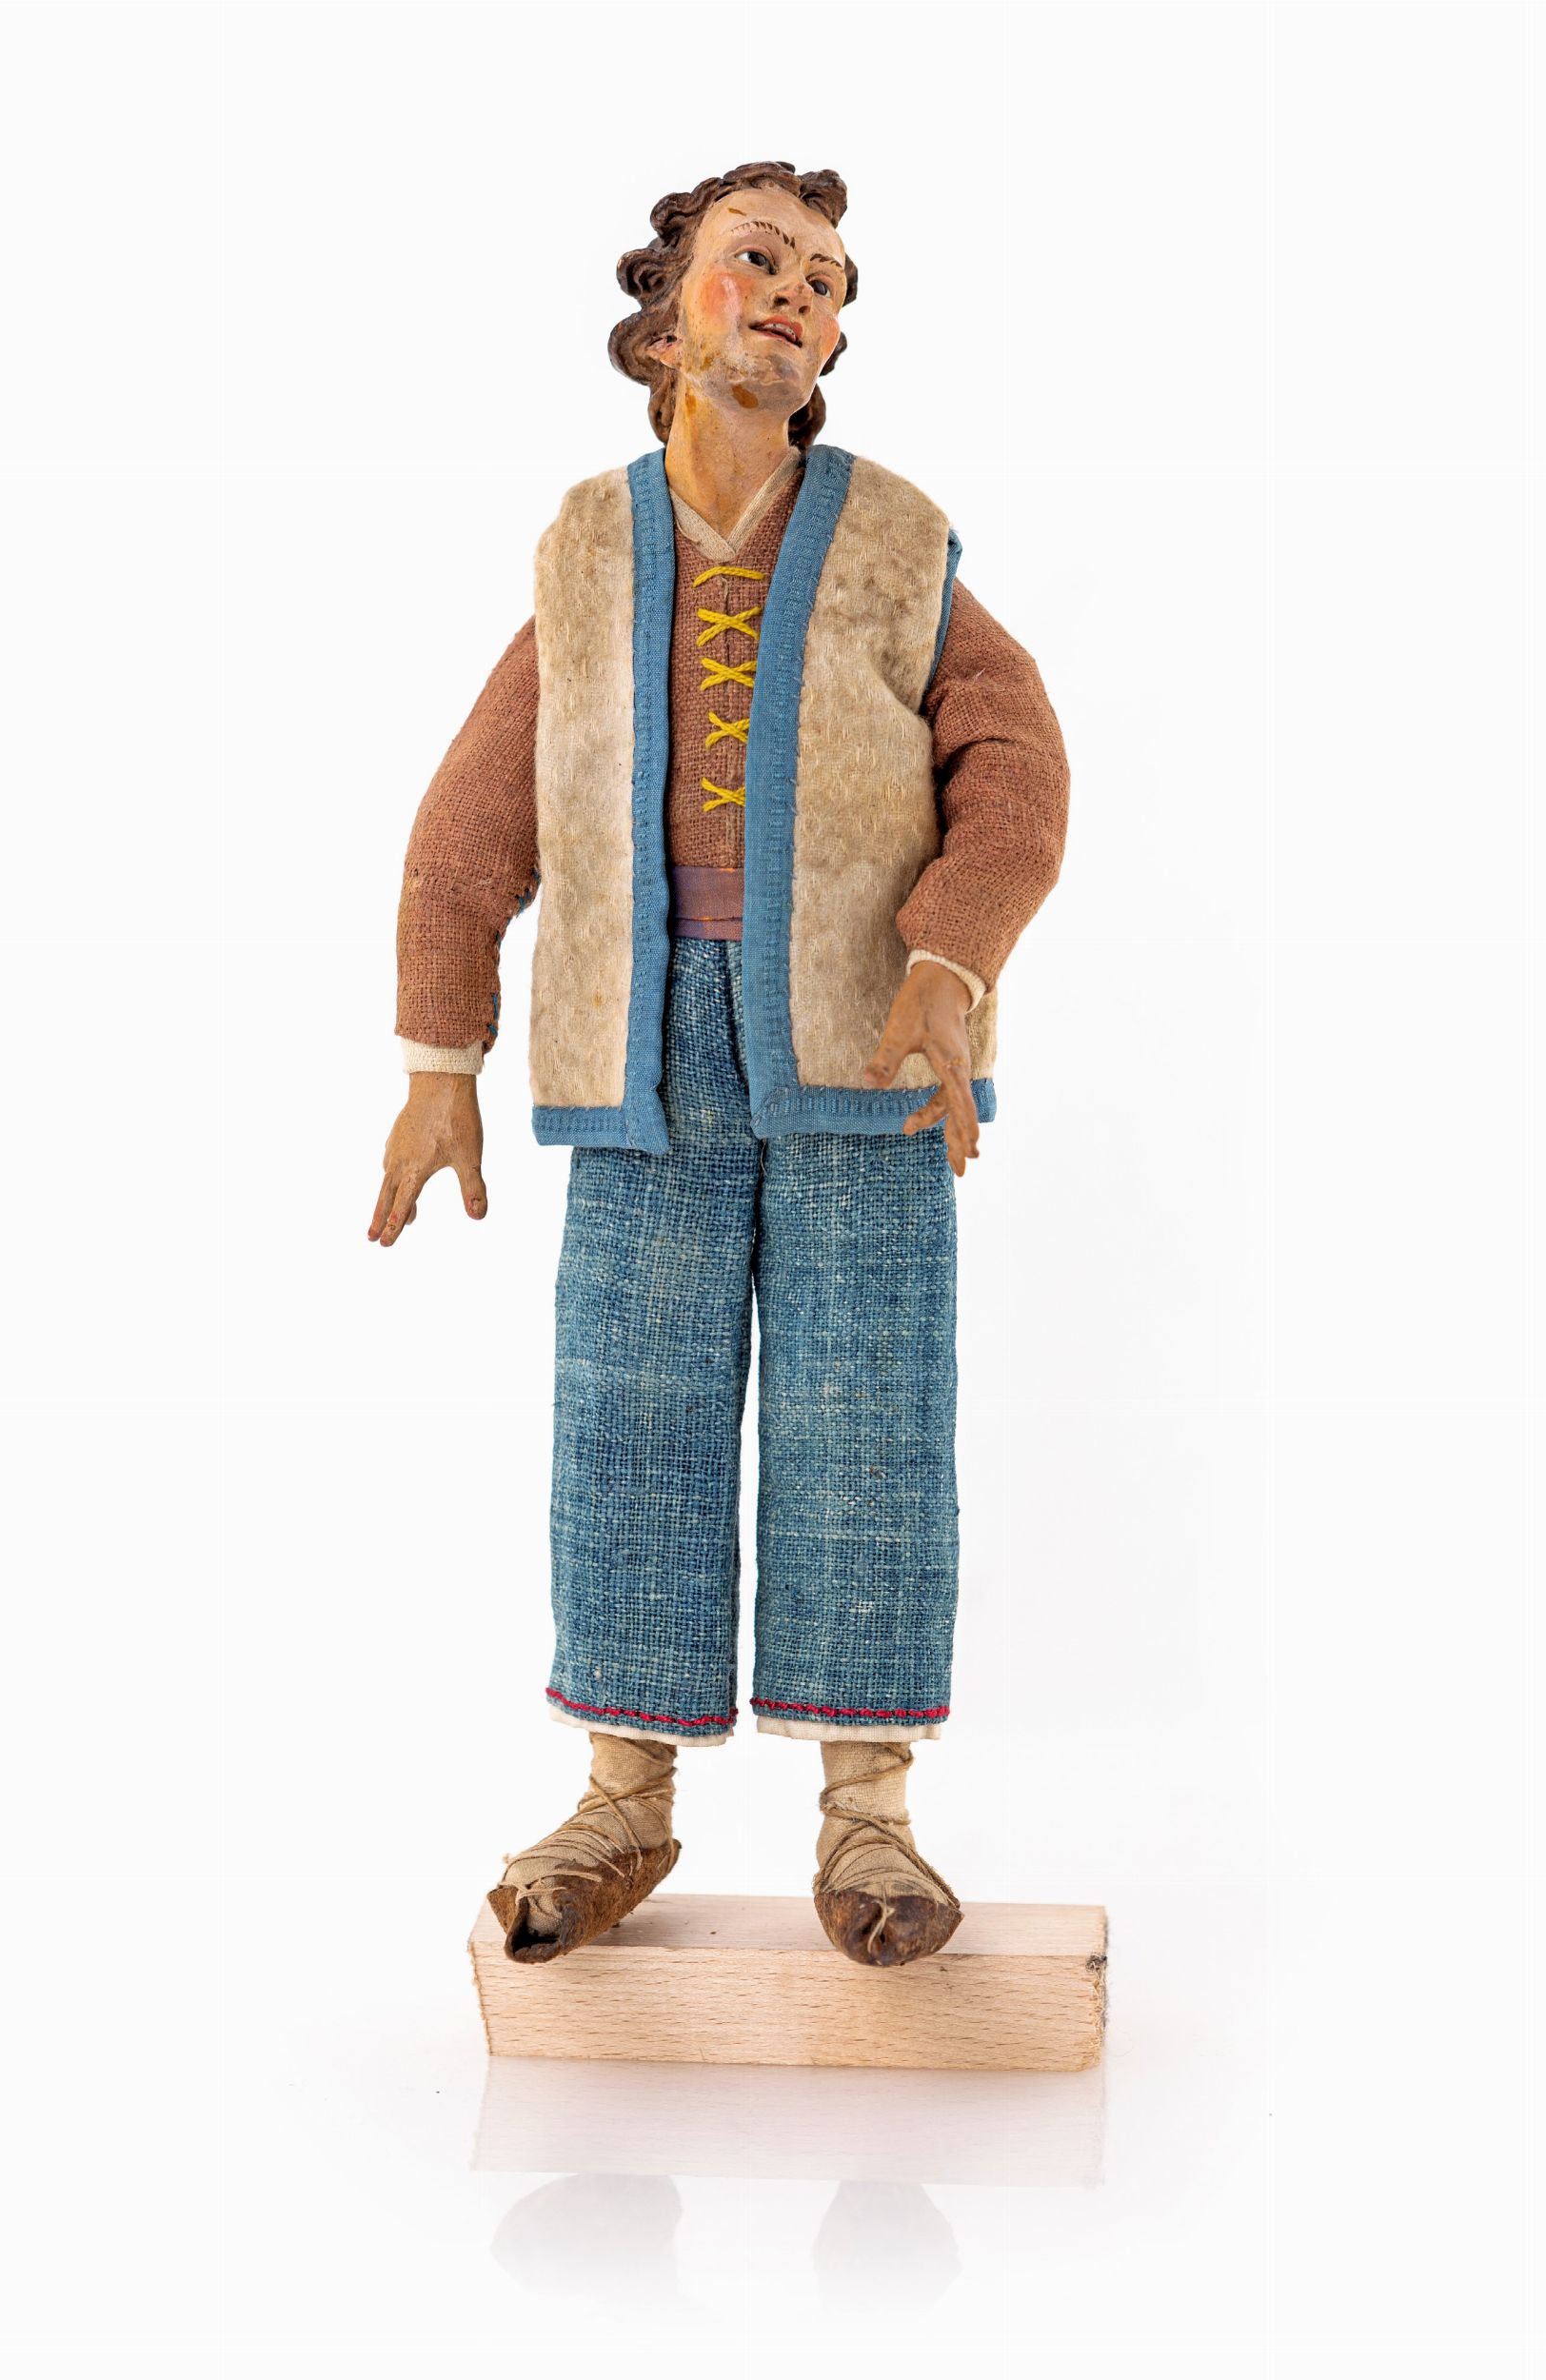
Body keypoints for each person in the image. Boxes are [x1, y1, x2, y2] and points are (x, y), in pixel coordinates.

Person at [368, 163, 1070, 1969]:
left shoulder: (899, 542)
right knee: (633, 1408)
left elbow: (1015, 764)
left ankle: (869, 1818)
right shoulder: (588, 553)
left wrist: (949, 959)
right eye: (758, 257)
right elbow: (473, 819)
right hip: (641, 1048)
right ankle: (622, 1799)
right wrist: (441, 1053)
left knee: (868, 1411)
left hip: (869, 1048)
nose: (794, 292)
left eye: (826, 280)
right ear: (666, 309)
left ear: (833, 343)